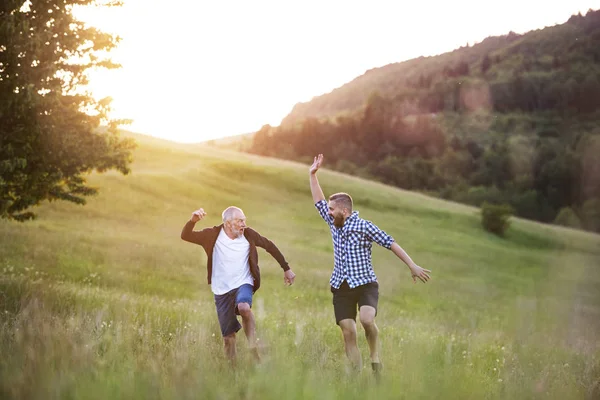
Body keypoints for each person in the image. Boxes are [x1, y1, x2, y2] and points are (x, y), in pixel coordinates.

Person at [308, 154, 431, 376]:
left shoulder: (365, 226)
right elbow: (318, 201)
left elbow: (390, 242)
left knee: (366, 319)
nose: (328, 211)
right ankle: (356, 374)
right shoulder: (334, 223)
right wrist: (312, 174)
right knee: (348, 330)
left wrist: (411, 265)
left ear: (344, 212)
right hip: (341, 286)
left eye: (331, 209)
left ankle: (375, 359)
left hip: (365, 284)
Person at [181, 205, 296, 365]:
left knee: (244, 307)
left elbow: (269, 246)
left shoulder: (249, 235)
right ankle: (233, 372)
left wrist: (286, 268)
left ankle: (252, 346)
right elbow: (186, 235)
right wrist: (192, 221)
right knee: (228, 338)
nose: (243, 224)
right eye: (239, 221)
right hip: (221, 289)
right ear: (228, 223)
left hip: (244, 283)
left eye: (244, 220)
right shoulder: (212, 235)